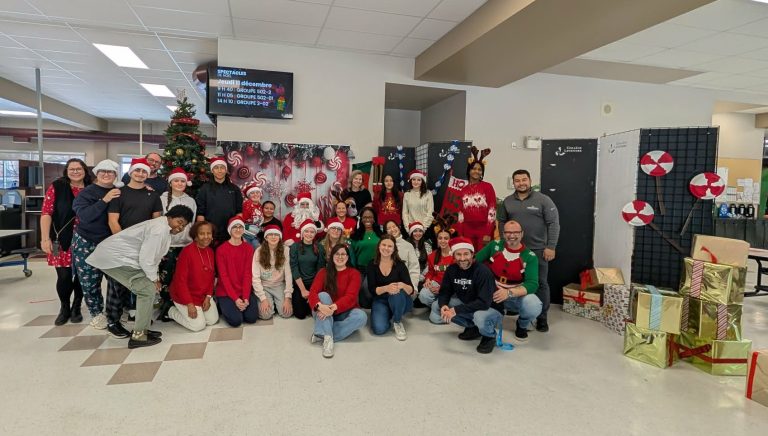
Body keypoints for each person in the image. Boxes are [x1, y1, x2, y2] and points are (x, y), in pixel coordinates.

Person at [86, 205, 193, 348]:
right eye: (179, 222)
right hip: (113, 258)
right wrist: (154, 279)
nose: (180, 228)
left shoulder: (163, 228)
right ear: (170, 217)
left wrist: (155, 278)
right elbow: (147, 259)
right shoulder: (159, 229)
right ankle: (139, 336)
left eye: (183, 226)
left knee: (148, 288)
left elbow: (154, 258)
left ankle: (143, 330)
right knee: (146, 289)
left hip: (122, 259)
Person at [105, 157, 163, 339]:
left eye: (144, 171)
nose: (140, 174)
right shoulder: (118, 193)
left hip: (144, 247)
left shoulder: (152, 195)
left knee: (142, 284)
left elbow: (156, 222)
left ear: (148, 174)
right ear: (131, 172)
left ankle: (141, 324)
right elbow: (113, 220)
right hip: (122, 246)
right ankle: (113, 321)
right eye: (137, 171)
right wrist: (124, 243)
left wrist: (149, 245)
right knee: (117, 285)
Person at [497, 169, 560, 333]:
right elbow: (502, 222)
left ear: (530, 180)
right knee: (514, 281)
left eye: (524, 179)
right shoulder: (508, 201)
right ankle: (516, 308)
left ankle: (541, 318)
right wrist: (505, 243)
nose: (521, 183)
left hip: (538, 250)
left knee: (540, 284)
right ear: (513, 183)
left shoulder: (543, 200)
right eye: (517, 180)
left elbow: (554, 223)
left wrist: (551, 246)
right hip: (513, 251)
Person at [71, 159, 121, 329]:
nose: (106, 175)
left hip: (111, 242)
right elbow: (84, 216)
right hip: (86, 241)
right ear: (96, 173)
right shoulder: (86, 193)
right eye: (103, 171)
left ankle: (114, 311)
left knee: (116, 279)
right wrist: (104, 200)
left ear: (115, 175)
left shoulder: (119, 192)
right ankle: (96, 313)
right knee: (90, 281)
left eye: (110, 172)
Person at [39, 158, 90, 325]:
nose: (75, 171)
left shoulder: (92, 188)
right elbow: (46, 212)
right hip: (61, 239)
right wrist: (45, 238)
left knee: (82, 276)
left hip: (87, 239)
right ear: (66, 171)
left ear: (85, 170)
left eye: (79, 168)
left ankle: (77, 306)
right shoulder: (57, 187)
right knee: (64, 276)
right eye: (72, 169)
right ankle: (64, 307)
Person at [475, 220, 542, 341]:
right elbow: (475, 261)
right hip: (493, 295)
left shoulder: (530, 256)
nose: (512, 235)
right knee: (480, 319)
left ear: (522, 234)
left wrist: (509, 293)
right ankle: (495, 316)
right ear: (503, 234)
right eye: (508, 232)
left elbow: (532, 284)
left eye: (516, 232)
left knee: (533, 304)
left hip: (515, 297)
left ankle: (522, 324)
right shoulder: (494, 245)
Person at [431, 237, 499, 354]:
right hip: (470, 304)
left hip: (490, 308)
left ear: (472, 254)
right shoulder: (451, 269)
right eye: (458, 254)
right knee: (439, 306)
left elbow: (484, 303)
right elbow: (445, 291)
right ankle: (474, 328)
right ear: (454, 256)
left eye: (466, 254)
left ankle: (490, 336)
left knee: (479, 317)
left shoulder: (483, 271)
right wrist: (443, 305)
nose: (462, 258)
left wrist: (455, 310)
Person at [308, 244, 367, 358]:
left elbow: (351, 297)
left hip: (341, 311)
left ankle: (321, 332)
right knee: (323, 295)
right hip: (323, 309)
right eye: (337, 254)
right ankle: (328, 339)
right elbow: (313, 292)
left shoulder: (354, 273)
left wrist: (332, 308)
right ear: (332, 256)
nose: (340, 257)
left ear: (348, 257)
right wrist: (321, 306)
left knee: (361, 317)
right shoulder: (323, 272)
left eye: (343, 254)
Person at [157, 168, 197, 321]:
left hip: (186, 245)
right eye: (176, 180)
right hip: (168, 245)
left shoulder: (191, 201)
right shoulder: (161, 199)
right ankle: (165, 306)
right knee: (166, 276)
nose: (179, 183)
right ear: (171, 182)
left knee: (181, 277)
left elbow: (192, 223)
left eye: (182, 181)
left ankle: (179, 304)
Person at [167, 221, 219, 331]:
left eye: (208, 233)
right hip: (186, 295)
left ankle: (197, 309)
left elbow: (211, 276)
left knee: (212, 320)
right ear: (195, 236)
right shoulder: (187, 252)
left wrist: (208, 296)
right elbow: (180, 281)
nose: (206, 237)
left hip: (202, 294)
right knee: (198, 326)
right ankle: (170, 311)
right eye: (202, 234)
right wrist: (189, 304)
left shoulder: (210, 251)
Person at [367, 235, 414, 340]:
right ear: (379, 246)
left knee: (396, 293)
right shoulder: (372, 264)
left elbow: (411, 290)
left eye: (390, 246)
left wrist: (402, 285)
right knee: (379, 329)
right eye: (384, 245)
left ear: (394, 249)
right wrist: (386, 288)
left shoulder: (400, 265)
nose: (386, 248)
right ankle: (389, 314)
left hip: (401, 300)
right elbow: (372, 290)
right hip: (381, 300)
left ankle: (397, 321)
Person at [215, 215, 258, 327]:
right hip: (226, 291)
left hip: (243, 290)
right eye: (235, 227)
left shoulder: (248, 248)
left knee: (251, 318)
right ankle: (222, 305)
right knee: (236, 321)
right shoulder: (221, 250)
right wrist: (235, 299)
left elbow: (248, 274)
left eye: (240, 227)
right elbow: (224, 277)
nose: (238, 229)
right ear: (230, 230)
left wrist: (245, 297)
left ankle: (238, 305)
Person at [456, 147, 496, 252]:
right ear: (469, 170)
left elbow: (492, 210)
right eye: (474, 168)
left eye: (479, 169)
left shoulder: (488, 187)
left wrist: (488, 232)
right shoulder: (463, 190)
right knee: (468, 255)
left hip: (483, 229)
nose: (476, 171)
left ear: (482, 172)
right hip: (467, 229)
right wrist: (460, 233)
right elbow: (460, 214)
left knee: (482, 258)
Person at [195, 156, 243, 246]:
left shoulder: (234, 189)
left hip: (230, 232)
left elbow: (239, 212)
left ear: (226, 170)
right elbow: (200, 213)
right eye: (216, 168)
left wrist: (237, 230)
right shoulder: (205, 188)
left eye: (222, 167)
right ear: (212, 171)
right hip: (210, 232)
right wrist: (202, 231)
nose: (219, 170)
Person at [253, 224, 293, 319]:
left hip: (279, 285)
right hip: (264, 286)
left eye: (276, 234)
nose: (274, 237)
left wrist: (287, 297)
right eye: (270, 234)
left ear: (280, 237)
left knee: (286, 313)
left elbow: (288, 274)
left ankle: (277, 303)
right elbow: (255, 277)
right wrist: (263, 299)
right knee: (265, 315)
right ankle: (269, 303)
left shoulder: (285, 250)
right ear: (266, 237)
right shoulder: (258, 251)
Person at [289, 219, 326, 320]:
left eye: (312, 231)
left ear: (315, 233)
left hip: (315, 284)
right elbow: (294, 268)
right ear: (302, 232)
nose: (309, 234)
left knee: (313, 311)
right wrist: (303, 290)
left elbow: (320, 270)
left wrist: (313, 292)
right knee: (300, 314)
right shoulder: (295, 247)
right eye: (306, 231)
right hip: (300, 283)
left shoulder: (319, 247)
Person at [349, 206, 382, 308]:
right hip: (360, 268)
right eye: (365, 217)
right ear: (361, 219)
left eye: (370, 217)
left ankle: (377, 305)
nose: (367, 220)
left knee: (367, 289)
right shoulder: (355, 235)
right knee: (359, 293)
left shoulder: (380, 235)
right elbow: (352, 254)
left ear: (374, 219)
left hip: (375, 268)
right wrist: (354, 269)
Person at [418, 228, 454, 309]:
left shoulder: (455, 255)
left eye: (446, 238)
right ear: (437, 240)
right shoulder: (432, 255)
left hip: (451, 285)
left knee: (453, 299)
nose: (443, 241)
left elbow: (456, 277)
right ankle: (438, 305)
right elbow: (430, 272)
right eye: (440, 238)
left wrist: (442, 289)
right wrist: (428, 280)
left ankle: (440, 305)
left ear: (450, 240)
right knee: (423, 295)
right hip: (436, 282)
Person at [383, 220, 420, 298]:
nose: (392, 229)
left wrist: (413, 287)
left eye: (394, 226)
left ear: (399, 228)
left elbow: (414, 268)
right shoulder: (383, 246)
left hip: (404, 285)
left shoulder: (408, 246)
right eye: (389, 228)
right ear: (386, 232)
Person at [406, 221, 431, 287]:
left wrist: (422, 276)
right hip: (408, 276)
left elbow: (429, 263)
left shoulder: (427, 245)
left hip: (423, 276)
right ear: (411, 233)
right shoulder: (406, 245)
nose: (418, 233)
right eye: (415, 231)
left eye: (420, 231)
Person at [241, 181, 264, 249]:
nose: (255, 195)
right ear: (248, 195)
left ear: (260, 194)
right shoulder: (247, 204)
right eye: (252, 193)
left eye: (257, 192)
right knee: (255, 250)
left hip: (255, 234)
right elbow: (245, 220)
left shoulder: (260, 206)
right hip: (247, 234)